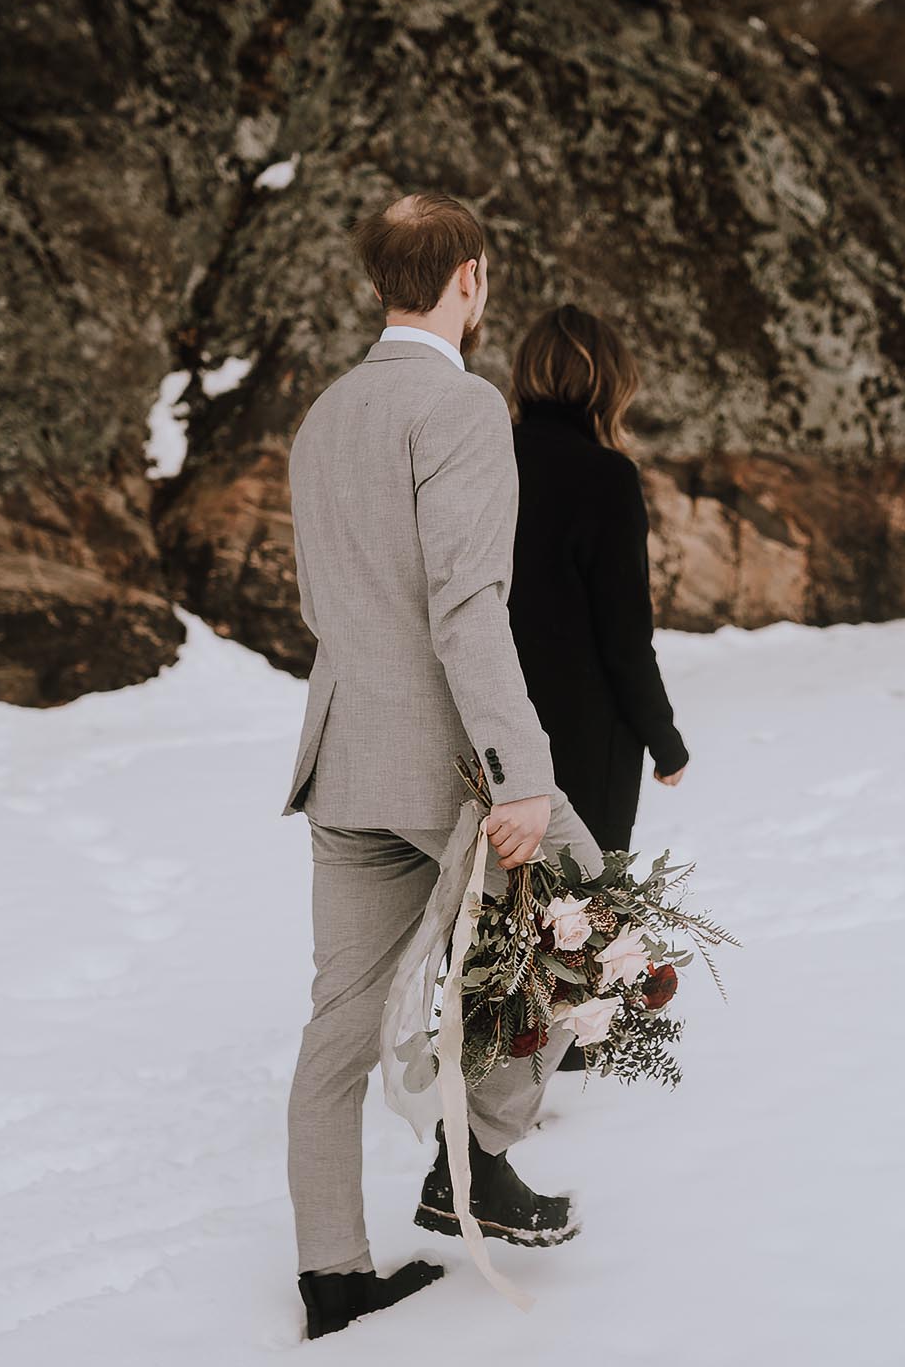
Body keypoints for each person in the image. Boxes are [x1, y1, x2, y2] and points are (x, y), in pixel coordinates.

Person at [278, 193, 604, 1339]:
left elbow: (325, 602)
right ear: (468, 278)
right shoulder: (459, 407)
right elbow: (467, 607)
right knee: (591, 911)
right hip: (448, 761)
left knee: (339, 1018)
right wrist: (518, 773)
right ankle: (474, 1158)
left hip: (339, 754)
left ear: (381, 283)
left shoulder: (323, 415)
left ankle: (331, 1275)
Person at [507, 305, 691, 861]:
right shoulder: (606, 477)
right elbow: (624, 634)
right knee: (580, 922)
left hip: (491, 729)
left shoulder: (485, 456)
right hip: (586, 740)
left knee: (490, 917)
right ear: (608, 382)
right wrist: (665, 740)